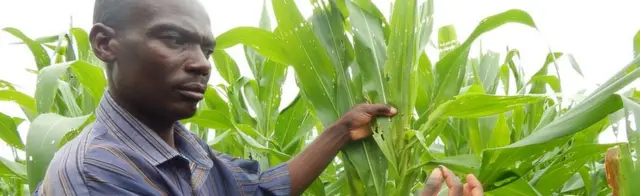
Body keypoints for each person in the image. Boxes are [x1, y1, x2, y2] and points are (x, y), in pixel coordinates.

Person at [34, 0, 483, 195]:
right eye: (173, 40)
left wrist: (341, 130)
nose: (202, 63)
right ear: (104, 44)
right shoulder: (98, 174)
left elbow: (259, 190)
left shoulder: (181, 152)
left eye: (207, 49)